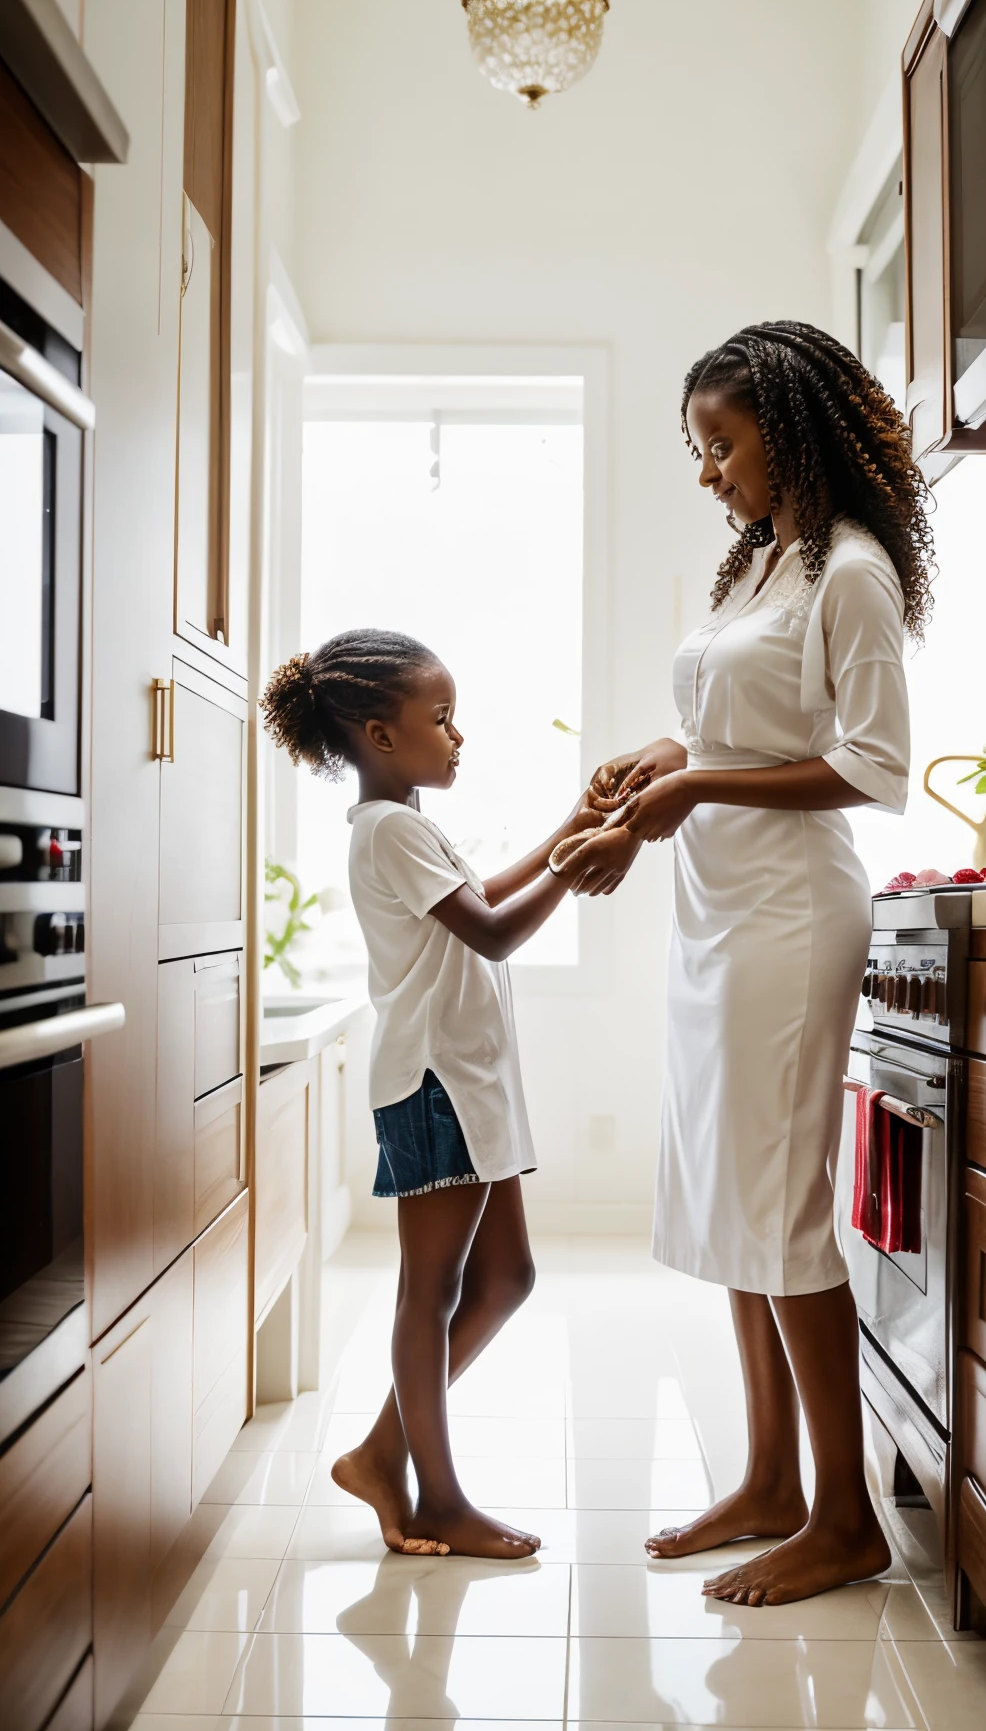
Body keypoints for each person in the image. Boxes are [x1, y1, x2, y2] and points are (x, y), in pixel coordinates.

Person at [560, 321, 932, 1606]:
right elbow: (742, 726)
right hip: (717, 909)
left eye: (721, 443)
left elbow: (872, 768)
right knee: (727, 1197)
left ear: (792, 426)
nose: (708, 470)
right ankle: (771, 1475)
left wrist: (694, 785)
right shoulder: (760, 565)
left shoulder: (854, 572)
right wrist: (663, 759)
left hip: (788, 914)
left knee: (776, 1205)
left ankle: (844, 1517)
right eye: (698, 449)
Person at [260, 628, 598, 1559]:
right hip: (437, 1086)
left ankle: (381, 1451)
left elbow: (475, 897)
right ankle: (435, 1494)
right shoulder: (392, 828)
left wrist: (570, 829)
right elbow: (491, 933)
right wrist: (577, 865)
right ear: (378, 734)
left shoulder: (403, 825)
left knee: (506, 1278)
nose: (458, 737)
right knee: (432, 1289)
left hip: (469, 1084)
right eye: (440, 719)